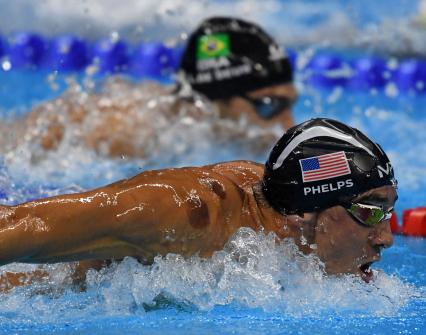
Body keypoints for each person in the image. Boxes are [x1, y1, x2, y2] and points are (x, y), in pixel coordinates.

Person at [0, 118, 397, 291]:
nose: (386, 238)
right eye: (369, 211)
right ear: (303, 216)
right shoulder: (188, 212)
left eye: (389, 211)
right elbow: (26, 223)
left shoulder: (282, 215)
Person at [0, 17, 297, 159]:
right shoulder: (124, 134)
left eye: (290, 105)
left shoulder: (201, 134)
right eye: (269, 105)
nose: (287, 125)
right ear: (214, 103)